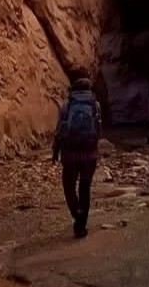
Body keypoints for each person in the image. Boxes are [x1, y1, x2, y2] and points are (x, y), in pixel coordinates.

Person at [51, 69, 101, 238]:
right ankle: (81, 226)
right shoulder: (95, 104)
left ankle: (77, 213)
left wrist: (55, 151)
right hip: (89, 154)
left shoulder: (67, 105)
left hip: (70, 154)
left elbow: (60, 130)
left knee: (69, 186)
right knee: (85, 187)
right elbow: (98, 130)